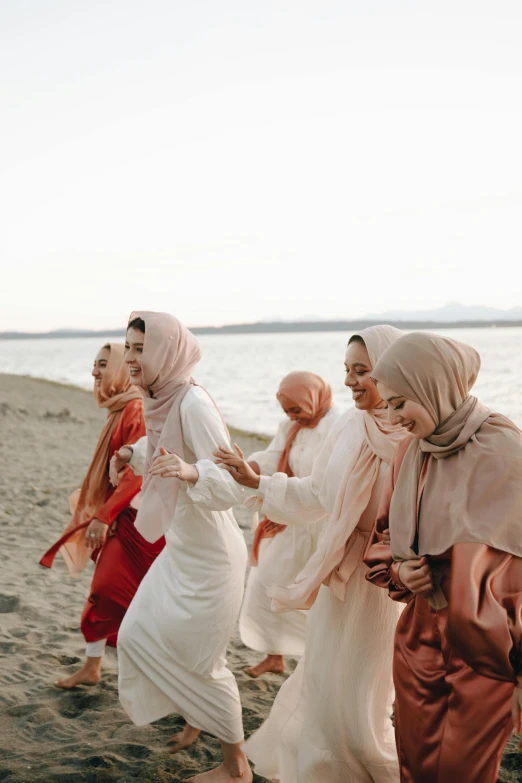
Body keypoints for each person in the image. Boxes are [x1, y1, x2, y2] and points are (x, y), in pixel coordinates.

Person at [206, 326, 409, 783]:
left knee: (364, 691)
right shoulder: (349, 425)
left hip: (383, 584)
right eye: (347, 371)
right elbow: (318, 491)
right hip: (337, 573)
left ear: (393, 371)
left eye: (363, 371)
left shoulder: (415, 434)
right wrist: (256, 481)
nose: (351, 381)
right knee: (323, 679)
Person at [364, 331, 522, 783]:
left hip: (487, 648)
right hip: (417, 634)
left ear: (435, 385)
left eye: (401, 402)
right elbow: (381, 539)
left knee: (461, 772)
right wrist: (400, 570)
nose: (393, 417)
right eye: (388, 404)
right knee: (414, 765)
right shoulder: (409, 453)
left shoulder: (506, 451)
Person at [111, 312, 250, 783]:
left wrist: (192, 474)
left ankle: (236, 769)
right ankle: (195, 717)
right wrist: (132, 454)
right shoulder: (160, 398)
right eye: (127, 347)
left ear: (166, 352)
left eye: (140, 349)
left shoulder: (192, 403)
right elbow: (166, 448)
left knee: (204, 664)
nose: (131, 358)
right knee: (136, 636)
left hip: (212, 557)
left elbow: (234, 482)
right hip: (182, 550)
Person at [40, 343, 163, 689]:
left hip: (141, 523)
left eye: (103, 365)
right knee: (105, 591)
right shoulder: (119, 408)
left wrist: (103, 516)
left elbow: (138, 473)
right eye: (95, 365)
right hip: (123, 517)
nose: (95, 372)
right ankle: (93, 667)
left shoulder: (135, 408)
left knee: (133, 596)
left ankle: (155, 673)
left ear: (120, 371)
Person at [239, 371, 341, 678]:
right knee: (266, 583)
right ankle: (274, 655)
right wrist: (243, 467)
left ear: (313, 399)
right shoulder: (291, 426)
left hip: (322, 522)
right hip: (291, 518)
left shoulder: (337, 424)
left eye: (295, 409)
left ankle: (317, 661)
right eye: (286, 411)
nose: (291, 416)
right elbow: (271, 458)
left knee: (320, 599)